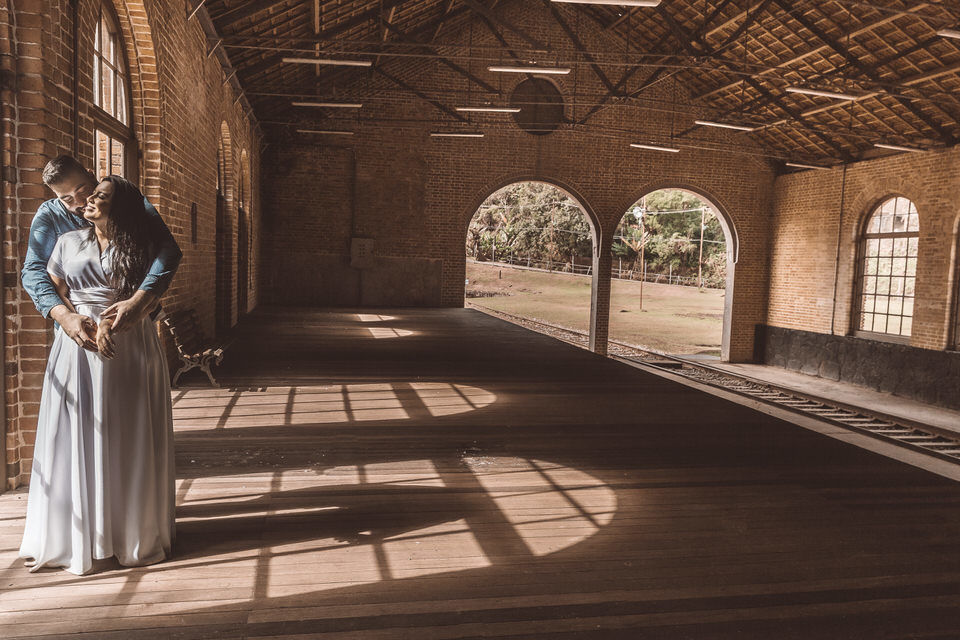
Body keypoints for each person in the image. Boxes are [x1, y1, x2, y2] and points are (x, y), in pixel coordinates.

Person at [18, 174, 179, 575]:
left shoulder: (139, 241)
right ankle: (77, 534)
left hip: (131, 341)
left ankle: (129, 532)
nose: (86, 201)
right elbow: (47, 282)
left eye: (96, 195)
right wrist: (71, 317)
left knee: (128, 429)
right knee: (75, 429)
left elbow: (167, 257)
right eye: (82, 197)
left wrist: (135, 305)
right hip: (76, 343)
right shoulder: (63, 236)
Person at [21, 155, 182, 348]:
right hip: (78, 328)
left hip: (132, 321)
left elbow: (168, 249)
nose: (81, 202)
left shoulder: (126, 199)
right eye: (67, 199)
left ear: (91, 175)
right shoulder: (49, 216)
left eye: (83, 191)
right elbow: (33, 271)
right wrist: (64, 316)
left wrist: (140, 300)